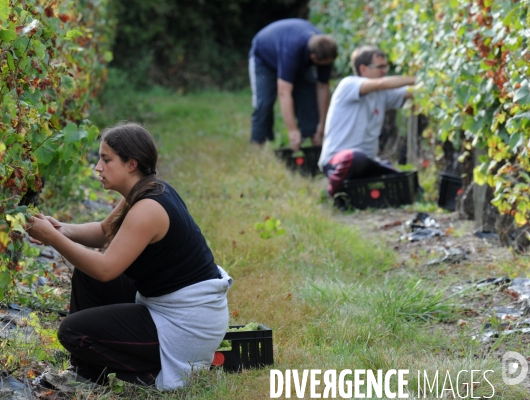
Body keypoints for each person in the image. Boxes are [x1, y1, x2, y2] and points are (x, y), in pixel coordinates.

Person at [26, 122, 232, 391]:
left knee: (72, 332)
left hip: (184, 325)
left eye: (106, 160)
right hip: (169, 307)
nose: (97, 167)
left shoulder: (148, 209)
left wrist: (53, 239)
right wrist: (61, 229)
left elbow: (106, 269)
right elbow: (104, 231)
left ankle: (146, 375)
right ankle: (85, 374)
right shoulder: (145, 191)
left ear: (131, 164)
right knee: (87, 279)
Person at [317, 46, 415, 199]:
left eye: (385, 67)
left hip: (368, 162)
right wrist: (416, 79)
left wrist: (433, 86)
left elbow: (410, 93)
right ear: (363, 69)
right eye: (380, 67)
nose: (384, 71)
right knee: (355, 157)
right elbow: (381, 83)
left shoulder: (381, 94)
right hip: (337, 160)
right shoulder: (348, 84)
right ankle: (332, 194)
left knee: (404, 179)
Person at [249, 18, 337, 151]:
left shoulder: (326, 50)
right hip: (264, 61)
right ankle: (257, 146)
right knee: (264, 103)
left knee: (308, 95)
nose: (326, 67)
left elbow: (323, 86)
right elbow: (284, 92)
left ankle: (316, 143)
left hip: (297, 57)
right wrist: (292, 131)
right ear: (313, 58)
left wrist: (322, 125)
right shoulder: (291, 50)